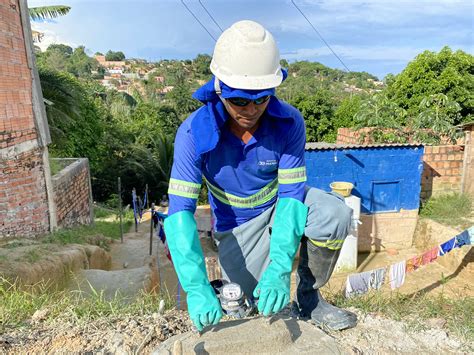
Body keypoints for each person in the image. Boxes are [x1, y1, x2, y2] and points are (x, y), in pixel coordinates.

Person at [164, 20, 356, 332]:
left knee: (335, 214)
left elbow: (292, 197)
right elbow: (180, 214)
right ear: (219, 88)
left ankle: (309, 299)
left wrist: (280, 268)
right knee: (247, 307)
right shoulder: (193, 133)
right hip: (237, 225)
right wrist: (196, 288)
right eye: (239, 100)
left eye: (261, 98)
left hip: (280, 205)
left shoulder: (289, 123)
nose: (251, 109)